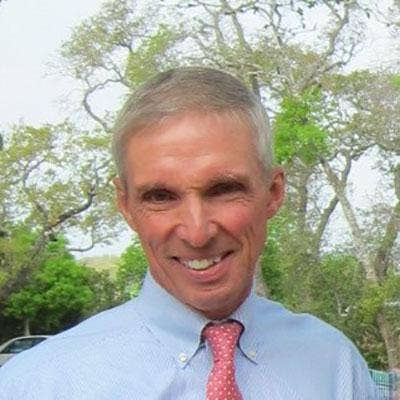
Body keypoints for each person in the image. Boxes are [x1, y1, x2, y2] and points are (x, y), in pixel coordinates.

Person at [0, 67, 378, 399]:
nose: (197, 233)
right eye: (160, 197)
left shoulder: (335, 367)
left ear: (273, 192)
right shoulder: (37, 385)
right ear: (125, 205)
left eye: (223, 189)